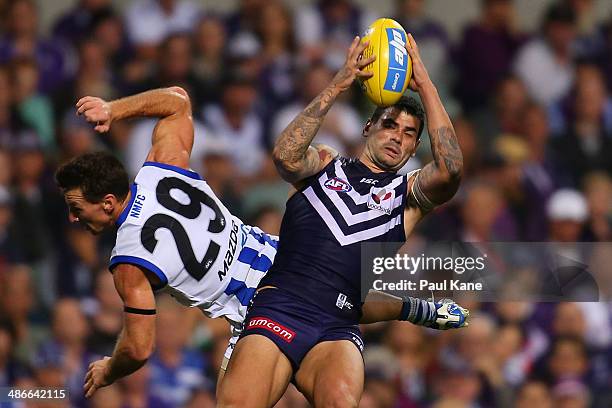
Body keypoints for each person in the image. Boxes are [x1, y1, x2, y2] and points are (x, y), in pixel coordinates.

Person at [55, 86, 468, 398]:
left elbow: (139, 348)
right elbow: (178, 100)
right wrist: (113, 109)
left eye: (76, 207)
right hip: (272, 252)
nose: (73, 217)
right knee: (341, 288)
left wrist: (110, 369)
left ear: (108, 202)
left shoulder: (128, 260)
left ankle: (416, 308)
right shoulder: (160, 169)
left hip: (257, 302)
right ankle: (418, 308)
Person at [217, 34, 466, 407]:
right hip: (281, 305)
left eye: (409, 133)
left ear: (416, 147)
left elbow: (450, 170)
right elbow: (285, 157)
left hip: (337, 324)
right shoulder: (325, 162)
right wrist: (339, 83)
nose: (397, 137)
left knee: (341, 401)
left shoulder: (408, 197)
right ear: (368, 127)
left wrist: (426, 84)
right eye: (389, 125)